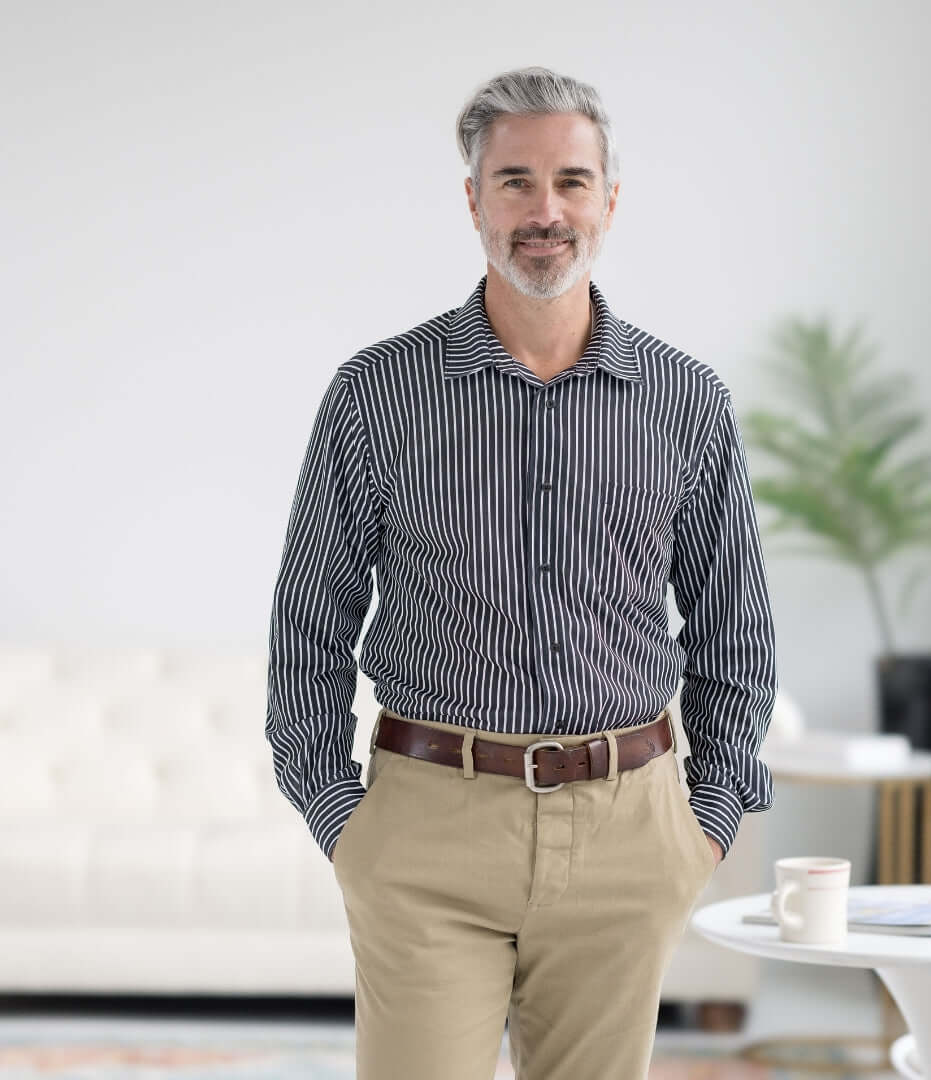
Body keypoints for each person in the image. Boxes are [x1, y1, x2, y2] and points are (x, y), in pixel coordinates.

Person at [265, 64, 777, 1080]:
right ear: (473, 201)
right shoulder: (378, 395)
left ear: (610, 200)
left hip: (629, 835)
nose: (546, 210)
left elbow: (736, 638)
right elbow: (307, 627)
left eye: (572, 182)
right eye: (515, 182)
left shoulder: (687, 403)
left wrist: (702, 828)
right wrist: (342, 818)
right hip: (425, 834)